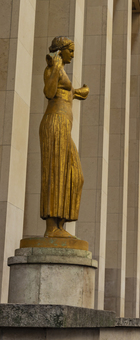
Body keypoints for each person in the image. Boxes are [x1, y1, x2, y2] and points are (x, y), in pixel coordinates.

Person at [40, 36, 89, 238]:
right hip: (54, 124)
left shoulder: (61, 70)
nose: (73, 54)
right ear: (61, 51)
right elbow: (50, 92)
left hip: (63, 126)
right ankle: (52, 228)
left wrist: (78, 92)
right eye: (71, 50)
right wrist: (55, 67)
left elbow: (63, 93)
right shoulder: (53, 67)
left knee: (75, 176)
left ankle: (60, 224)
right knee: (55, 172)